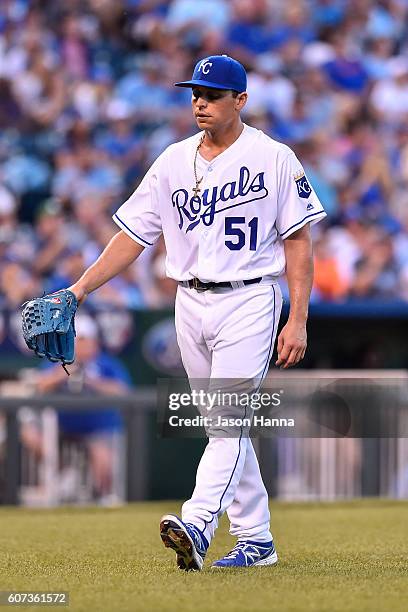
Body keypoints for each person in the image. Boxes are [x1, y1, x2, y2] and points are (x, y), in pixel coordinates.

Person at [67, 55, 326, 569]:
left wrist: (297, 317)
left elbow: (298, 242)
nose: (200, 102)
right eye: (195, 94)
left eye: (212, 94)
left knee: (227, 421)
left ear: (241, 101)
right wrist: (78, 290)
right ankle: (257, 540)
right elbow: (132, 237)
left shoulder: (273, 157)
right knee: (222, 426)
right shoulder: (172, 160)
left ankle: (199, 522)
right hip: (188, 300)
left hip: (250, 297)